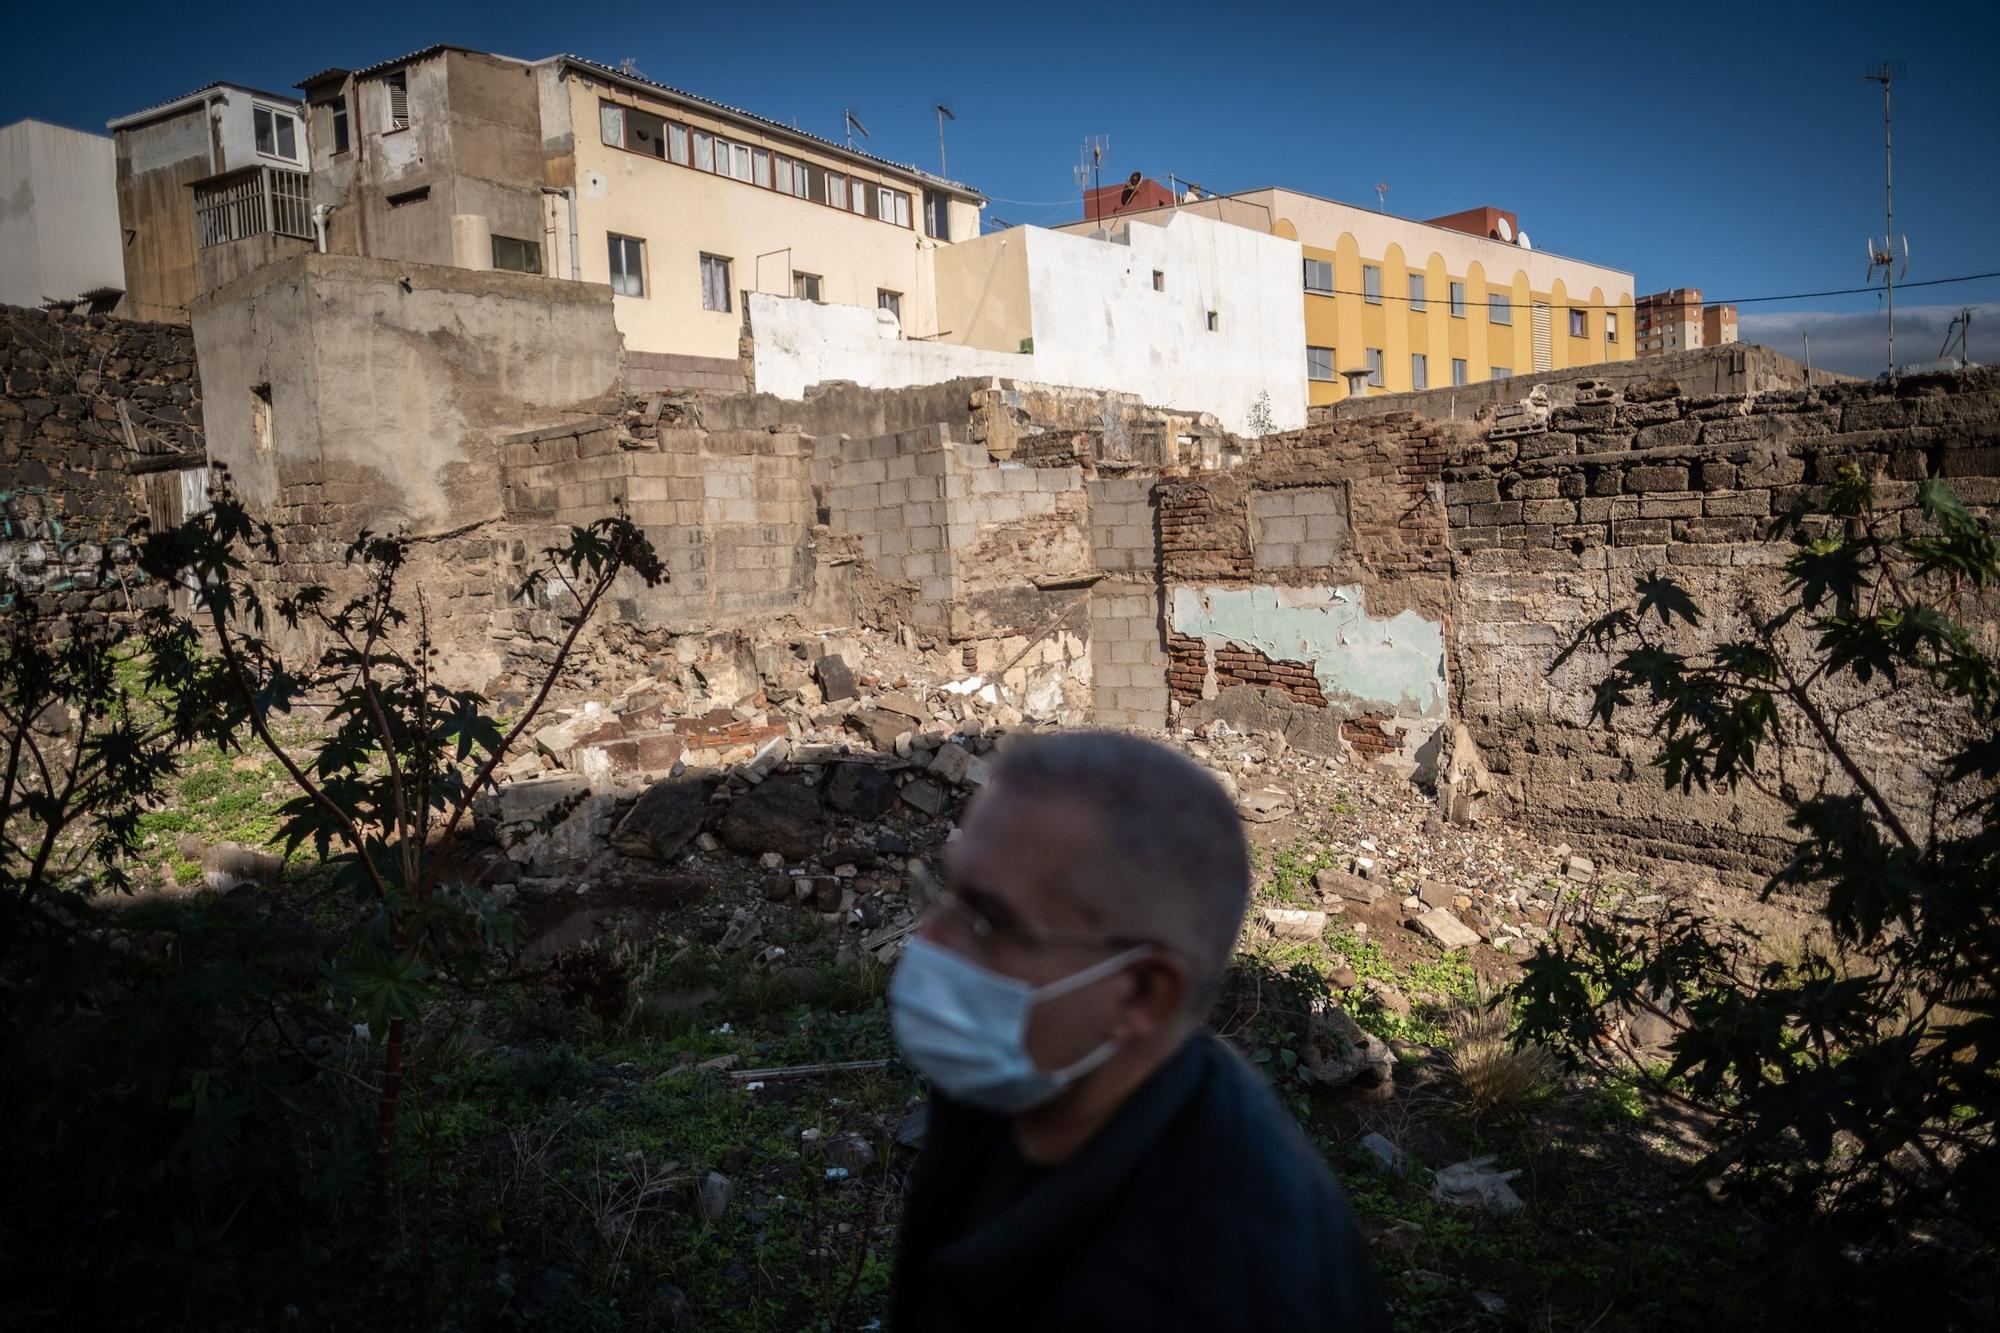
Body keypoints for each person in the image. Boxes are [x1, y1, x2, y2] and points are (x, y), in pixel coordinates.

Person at [888, 731, 1390, 1332]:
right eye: (946, 893)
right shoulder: (1028, 1070)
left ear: (1144, 993)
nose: (927, 943)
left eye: (988, 920)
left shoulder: (1219, 1288)